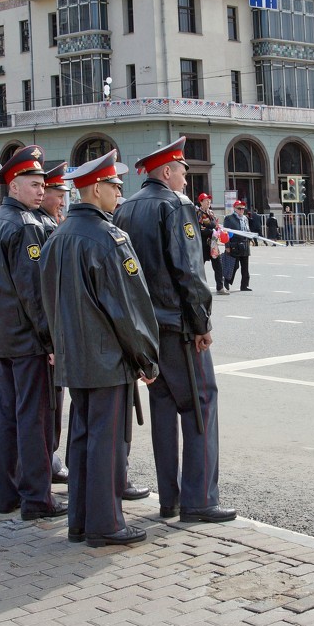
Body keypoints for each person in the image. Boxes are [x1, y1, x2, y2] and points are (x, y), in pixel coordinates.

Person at [40, 151, 160, 548]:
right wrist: (146, 356)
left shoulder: (57, 235)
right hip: (108, 357)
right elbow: (129, 308)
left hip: (75, 356)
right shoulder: (110, 238)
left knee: (82, 437)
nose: (118, 194)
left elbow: (48, 301)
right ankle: (106, 524)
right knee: (108, 444)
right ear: (95, 189)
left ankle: (80, 520)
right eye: (114, 187)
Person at [114, 137, 236, 525]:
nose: (186, 179)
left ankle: (170, 499)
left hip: (146, 330)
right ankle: (199, 499)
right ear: (167, 172)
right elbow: (188, 271)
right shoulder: (175, 205)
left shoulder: (125, 208)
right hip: (178, 328)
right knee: (200, 407)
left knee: (163, 409)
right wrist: (202, 323)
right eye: (183, 172)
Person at [0, 145, 67, 520]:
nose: (41, 191)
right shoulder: (26, 225)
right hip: (27, 339)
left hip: (1, 336)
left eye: (43, 184)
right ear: (13, 186)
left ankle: (8, 494)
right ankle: (36, 497)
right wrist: (49, 339)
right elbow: (33, 291)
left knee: (9, 415)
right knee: (34, 418)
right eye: (33, 184)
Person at [38, 162, 71, 486]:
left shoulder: (50, 224)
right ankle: (46, 463)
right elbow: (41, 294)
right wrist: (52, 342)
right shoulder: (40, 228)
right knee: (47, 406)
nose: (62, 201)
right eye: (56, 194)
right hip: (41, 339)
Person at [196, 193, 226, 295]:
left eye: (209, 200)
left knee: (218, 265)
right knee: (200, 267)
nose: (208, 202)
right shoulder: (198, 213)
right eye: (206, 200)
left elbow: (215, 225)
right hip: (203, 244)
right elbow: (199, 229)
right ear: (200, 202)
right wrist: (211, 231)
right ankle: (200, 288)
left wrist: (218, 229)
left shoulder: (211, 213)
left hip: (213, 244)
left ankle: (220, 287)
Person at [223, 200, 251, 291]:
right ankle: (227, 281)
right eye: (239, 208)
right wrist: (227, 245)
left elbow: (247, 230)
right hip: (235, 244)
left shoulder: (245, 218)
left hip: (245, 245)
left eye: (243, 208)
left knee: (245, 267)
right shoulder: (229, 218)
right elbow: (225, 232)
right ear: (235, 209)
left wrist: (251, 238)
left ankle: (244, 285)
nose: (241, 210)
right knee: (234, 266)